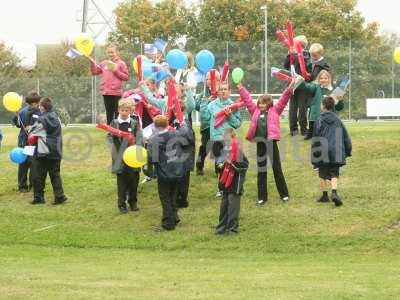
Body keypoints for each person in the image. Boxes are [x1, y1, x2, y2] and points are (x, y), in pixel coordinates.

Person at [239, 78, 298, 205]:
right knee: (261, 170)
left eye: (263, 103)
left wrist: (290, 87)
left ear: (269, 104)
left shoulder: (275, 111)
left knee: (277, 168)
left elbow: (284, 99)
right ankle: (262, 197)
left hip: (271, 143)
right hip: (260, 143)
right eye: (259, 103)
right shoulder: (254, 111)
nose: (261, 105)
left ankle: (284, 195)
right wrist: (240, 88)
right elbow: (248, 100)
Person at [147, 115, 194, 231]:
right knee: (173, 196)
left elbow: (152, 158)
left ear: (155, 126)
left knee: (165, 198)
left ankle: (168, 223)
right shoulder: (176, 134)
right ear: (167, 124)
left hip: (164, 173)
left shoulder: (153, 140)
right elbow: (187, 139)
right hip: (178, 170)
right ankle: (175, 217)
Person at [202, 82, 242, 197]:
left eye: (225, 89)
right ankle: (220, 189)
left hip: (228, 138)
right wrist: (204, 104)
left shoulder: (233, 106)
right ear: (218, 92)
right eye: (221, 89)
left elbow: (237, 124)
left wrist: (230, 116)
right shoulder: (212, 105)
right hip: (215, 139)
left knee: (228, 164)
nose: (223, 91)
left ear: (229, 91)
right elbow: (205, 119)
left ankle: (228, 188)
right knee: (218, 165)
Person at [311, 97, 352, 206]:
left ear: (323, 106)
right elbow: (345, 136)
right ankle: (334, 192)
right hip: (336, 150)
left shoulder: (319, 119)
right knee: (334, 172)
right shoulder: (338, 120)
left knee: (322, 173)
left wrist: (314, 155)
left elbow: (315, 138)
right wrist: (348, 150)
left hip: (323, 149)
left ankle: (324, 195)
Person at [29, 98, 67, 205]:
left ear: (43, 107)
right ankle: (60, 196)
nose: (39, 107)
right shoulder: (56, 117)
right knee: (55, 174)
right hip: (56, 150)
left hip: (44, 151)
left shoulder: (42, 120)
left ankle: (39, 197)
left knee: (38, 175)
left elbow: (33, 132)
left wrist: (30, 128)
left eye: (40, 106)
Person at [110, 98, 142, 213]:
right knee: (122, 182)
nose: (124, 112)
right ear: (118, 110)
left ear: (130, 111)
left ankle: (133, 202)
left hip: (133, 157)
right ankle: (121, 204)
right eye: (122, 110)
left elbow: (139, 137)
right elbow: (110, 137)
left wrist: (137, 147)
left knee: (134, 180)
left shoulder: (134, 123)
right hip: (120, 157)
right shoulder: (114, 123)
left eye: (127, 110)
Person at [215, 128, 248, 235]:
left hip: (235, 184)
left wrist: (232, 163)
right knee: (224, 207)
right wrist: (221, 165)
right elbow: (220, 165)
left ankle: (232, 229)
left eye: (228, 138)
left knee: (233, 208)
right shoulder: (224, 150)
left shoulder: (238, 150)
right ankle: (221, 228)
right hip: (225, 184)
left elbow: (244, 166)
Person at [297, 70, 345, 140]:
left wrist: (340, 100)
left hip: (329, 119)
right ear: (319, 79)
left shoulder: (336, 90)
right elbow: (306, 87)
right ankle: (311, 133)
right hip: (316, 118)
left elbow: (339, 108)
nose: (323, 80)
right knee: (316, 135)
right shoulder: (316, 87)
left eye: (325, 78)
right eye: (321, 78)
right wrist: (300, 81)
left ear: (329, 79)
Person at [90, 45, 129, 124]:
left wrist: (115, 70)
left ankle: (118, 131)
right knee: (109, 113)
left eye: (112, 52)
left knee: (117, 113)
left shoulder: (121, 63)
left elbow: (126, 77)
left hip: (116, 93)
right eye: (109, 52)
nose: (110, 54)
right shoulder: (104, 63)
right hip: (106, 92)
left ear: (116, 52)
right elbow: (94, 72)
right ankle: (110, 132)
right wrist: (92, 63)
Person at [12, 92, 41, 192]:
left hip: (34, 141)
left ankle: (32, 184)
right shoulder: (23, 111)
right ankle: (22, 186)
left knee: (34, 164)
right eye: (35, 103)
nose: (37, 104)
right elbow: (18, 124)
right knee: (24, 163)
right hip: (24, 141)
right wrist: (16, 116)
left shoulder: (39, 112)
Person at [284, 35, 312, 136]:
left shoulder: (305, 54)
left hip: (301, 84)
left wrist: (293, 55)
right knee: (295, 107)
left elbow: (306, 66)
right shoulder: (293, 55)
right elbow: (286, 66)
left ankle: (301, 129)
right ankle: (295, 129)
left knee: (301, 107)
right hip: (293, 84)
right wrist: (289, 55)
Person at [195, 70, 221, 175]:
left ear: (218, 80)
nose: (208, 81)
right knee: (205, 147)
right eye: (207, 79)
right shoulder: (203, 93)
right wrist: (206, 101)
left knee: (218, 147)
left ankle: (219, 170)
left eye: (211, 78)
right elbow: (196, 106)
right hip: (206, 126)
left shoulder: (222, 91)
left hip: (219, 125)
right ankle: (199, 167)